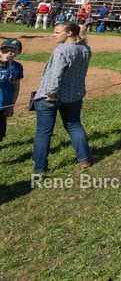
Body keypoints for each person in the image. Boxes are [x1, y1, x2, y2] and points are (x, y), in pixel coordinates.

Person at [32, 22, 96, 174]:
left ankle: (40, 168)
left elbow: (56, 75)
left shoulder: (62, 50)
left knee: (43, 132)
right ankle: (85, 158)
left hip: (52, 97)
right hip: (74, 95)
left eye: (57, 32)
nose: (53, 35)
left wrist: (51, 94)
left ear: (68, 34)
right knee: (74, 125)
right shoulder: (85, 49)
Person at [1, 39, 24, 144]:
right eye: (6, 51)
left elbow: (16, 87)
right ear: (0, 51)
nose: (9, 53)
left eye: (13, 51)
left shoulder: (18, 67)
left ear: (19, 52)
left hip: (4, 105)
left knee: (0, 134)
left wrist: (11, 106)